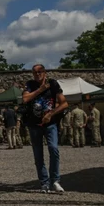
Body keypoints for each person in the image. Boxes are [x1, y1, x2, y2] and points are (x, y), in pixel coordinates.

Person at [22, 64, 68, 194]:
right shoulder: (30, 84)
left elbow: (64, 103)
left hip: (50, 123)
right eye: (35, 72)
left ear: (45, 72)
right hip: (34, 124)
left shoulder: (53, 84)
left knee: (53, 149)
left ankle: (55, 180)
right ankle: (44, 182)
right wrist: (40, 90)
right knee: (38, 155)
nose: (38, 74)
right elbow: (25, 99)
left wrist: (51, 114)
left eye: (40, 71)